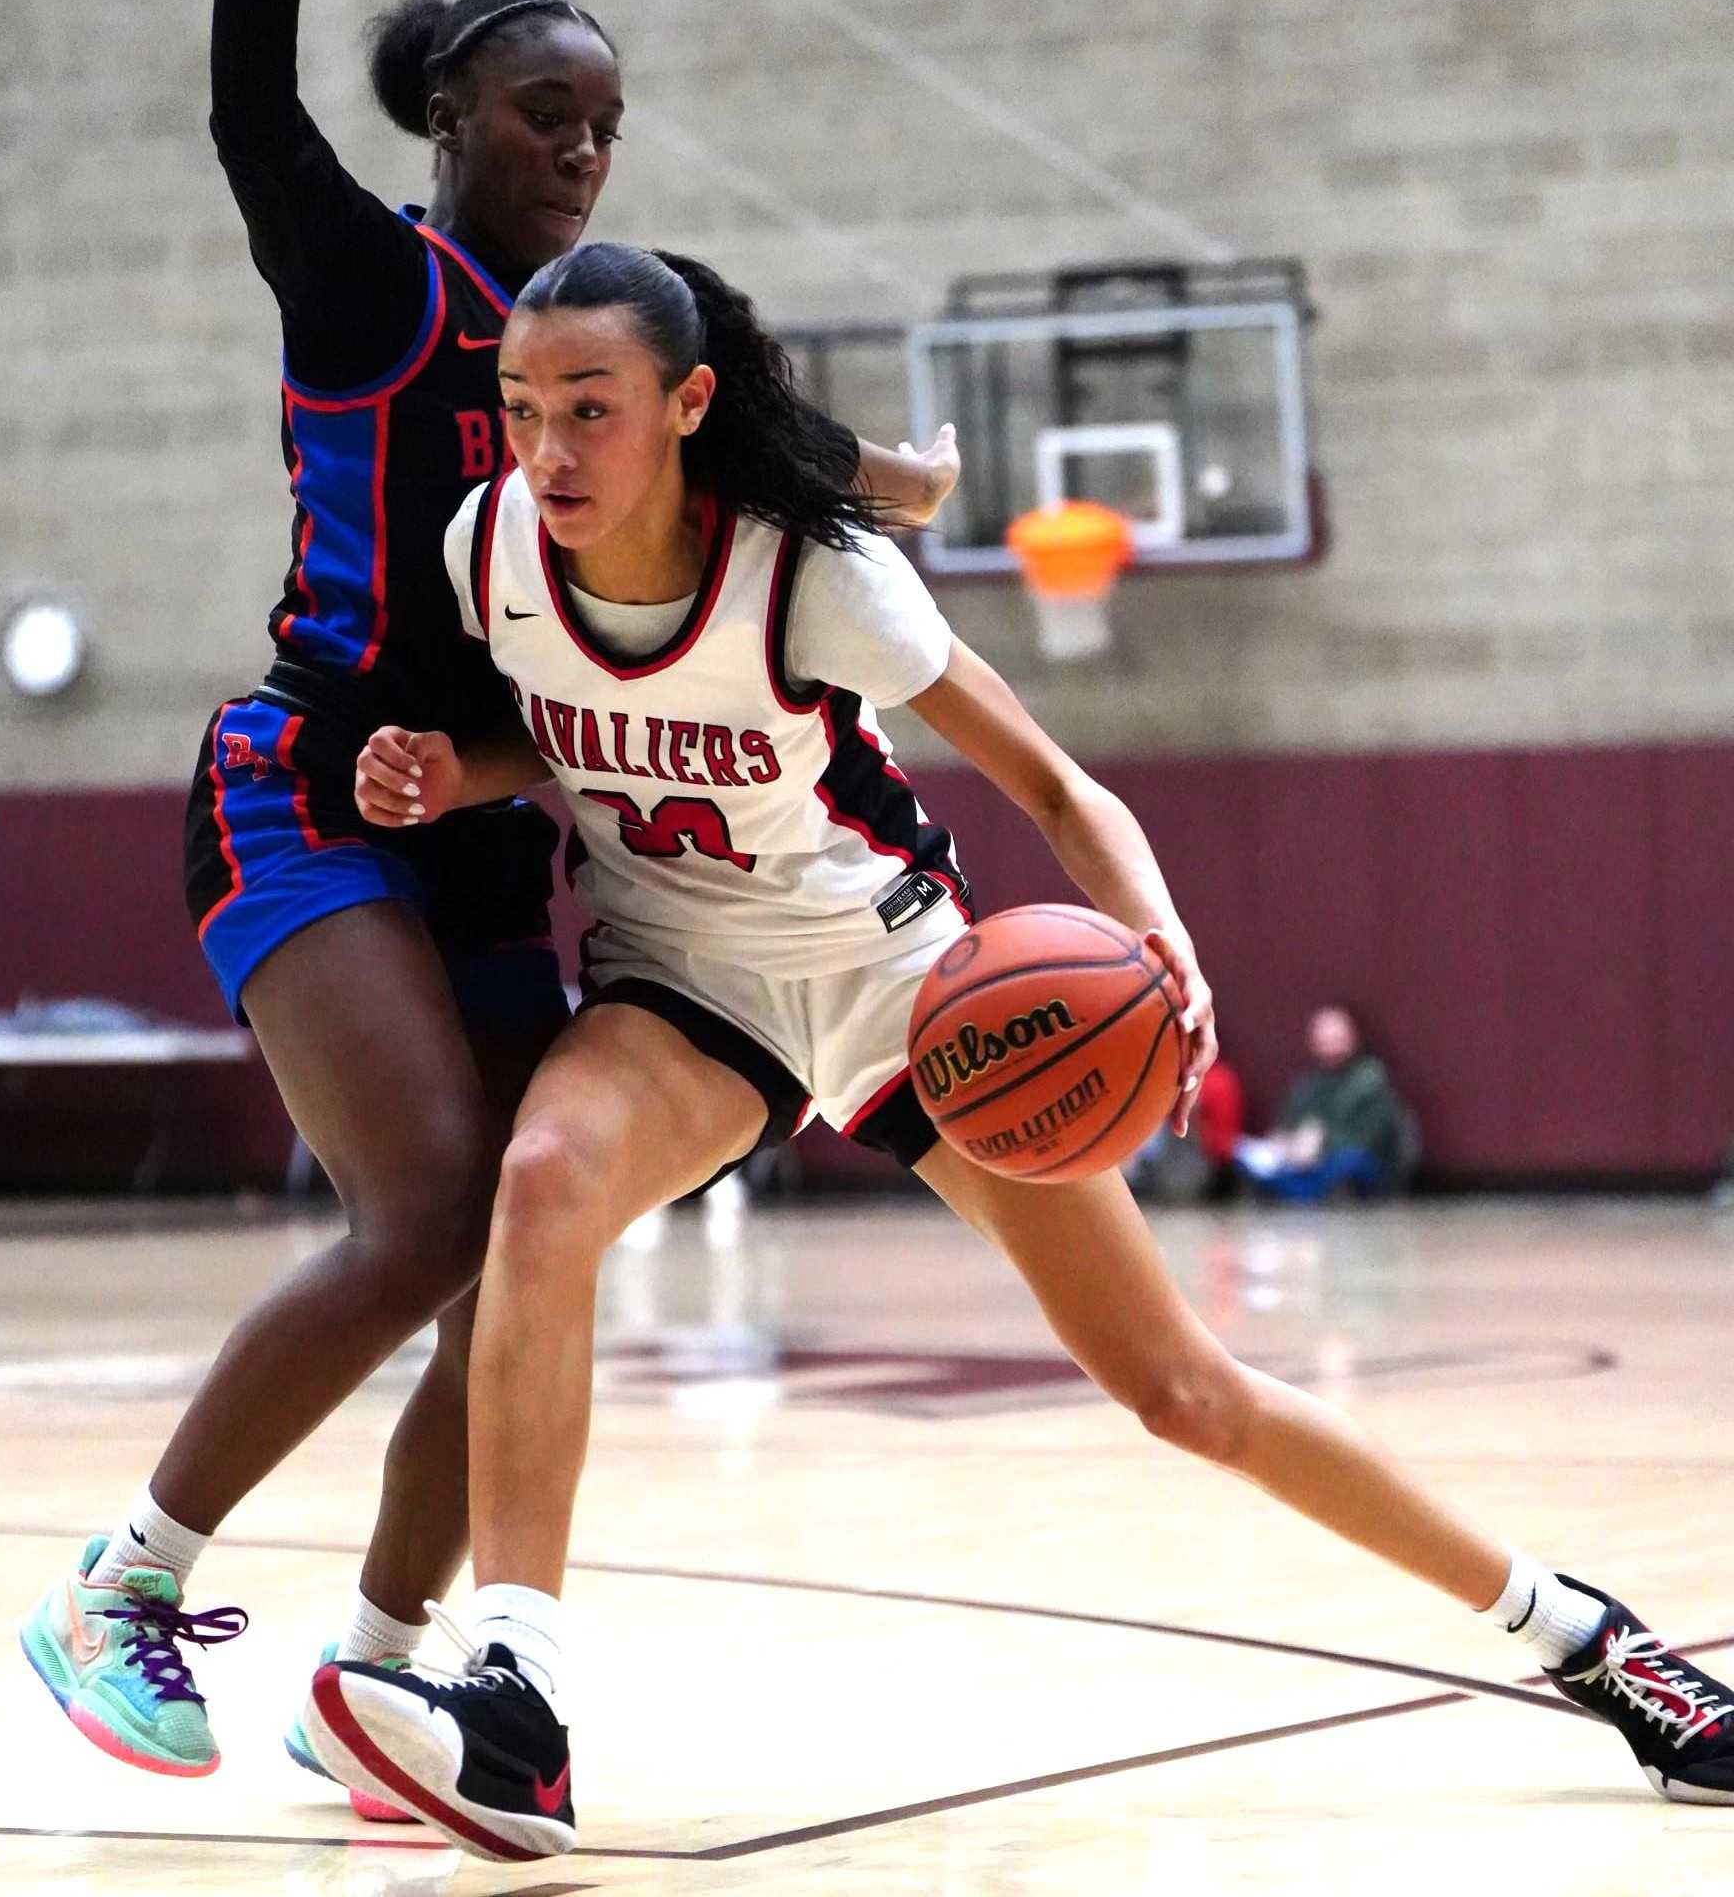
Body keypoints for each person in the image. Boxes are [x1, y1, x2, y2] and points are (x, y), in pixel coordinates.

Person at [308, 245, 1734, 1859]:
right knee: (544, 1188)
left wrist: (1167, 949)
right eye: (520, 408)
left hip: (901, 984)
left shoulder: (813, 574)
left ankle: (1589, 1640)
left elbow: (1062, 793)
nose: (549, 448)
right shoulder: (487, 545)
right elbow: (556, 739)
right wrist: (457, 772)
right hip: (683, 984)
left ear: (688, 404)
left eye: (590, 407)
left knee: (1186, 1392)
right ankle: (520, 1707)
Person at [18, 0, 958, 1802]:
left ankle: (372, 1676)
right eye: (546, 113)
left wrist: (894, 475)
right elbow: (245, 115)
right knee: (436, 1207)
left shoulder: (607, 330)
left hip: (494, 815)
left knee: (533, 1237)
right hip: (309, 788)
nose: (584, 150)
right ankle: (121, 1586)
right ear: (450, 116)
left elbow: (757, 435)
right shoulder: (380, 286)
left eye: (604, 121)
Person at [1233, 1004, 1413, 1200]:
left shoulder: (1371, 1080)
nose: (1330, 1046)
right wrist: (1287, 1143)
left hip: (1348, 1159)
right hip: (1301, 1162)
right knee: (1254, 1162)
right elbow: (1286, 1125)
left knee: (1349, 1163)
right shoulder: (1308, 1085)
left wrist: (1322, 1144)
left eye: (1336, 1039)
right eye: (1323, 1040)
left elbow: (1372, 1139)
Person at [1125, 1053, 1245, 1201]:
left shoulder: (1209, 1081)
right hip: (1207, 1168)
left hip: (1195, 1169)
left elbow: (1219, 1146)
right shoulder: (1222, 1076)